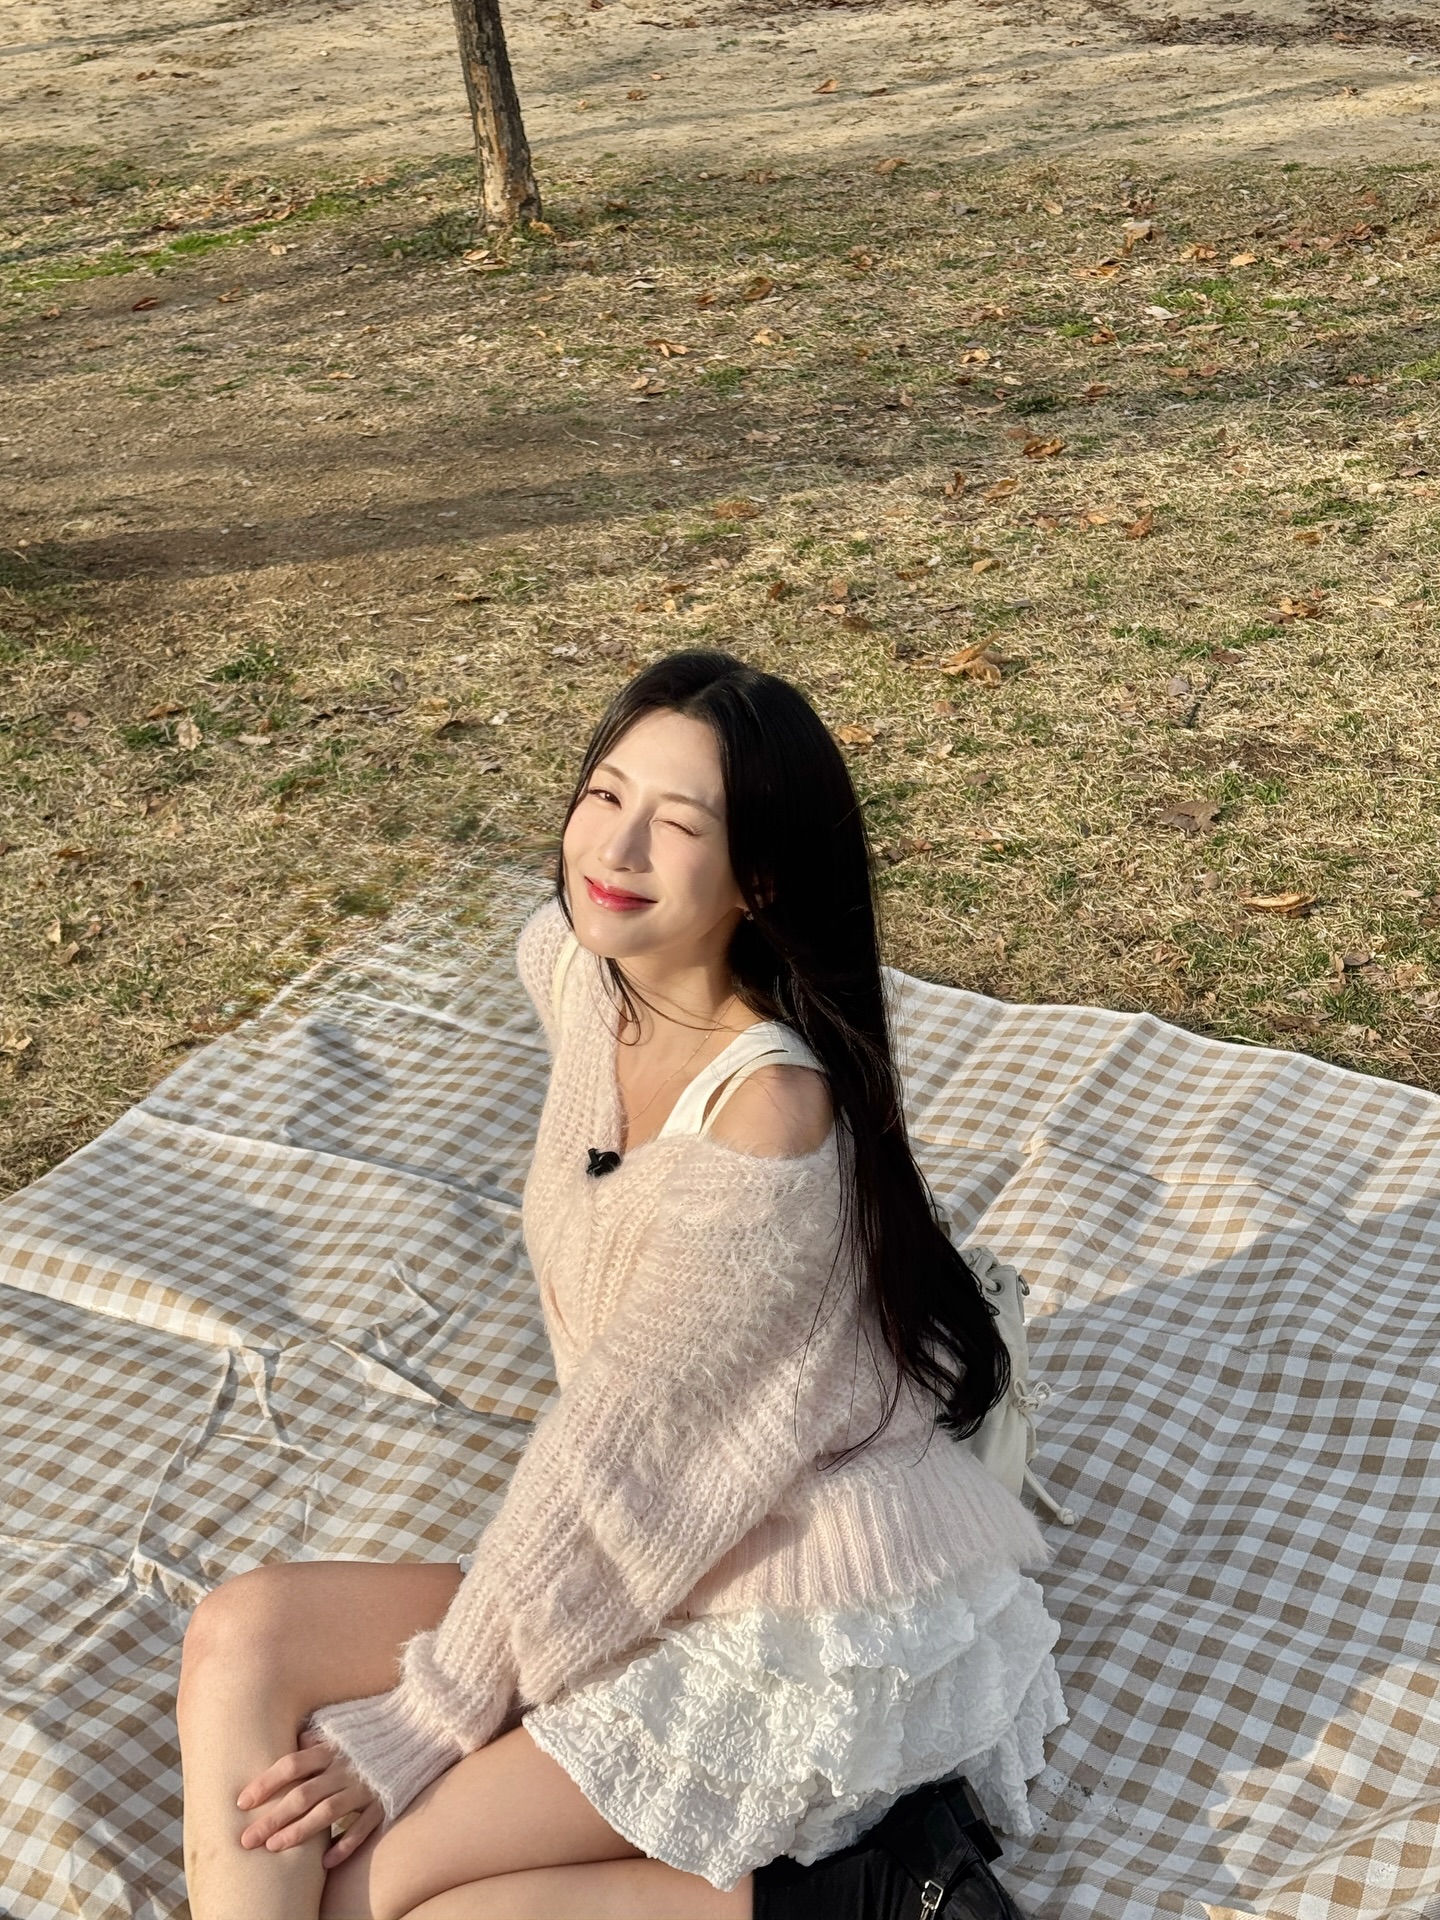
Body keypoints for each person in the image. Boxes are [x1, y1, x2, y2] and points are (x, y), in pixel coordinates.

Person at [176, 648, 1066, 1920]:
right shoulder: (583, 967)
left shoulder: (766, 1128)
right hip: (659, 1544)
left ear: (759, 879)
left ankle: (863, 1894)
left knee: (386, 1890)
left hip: (798, 1607)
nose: (618, 847)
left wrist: (430, 1719)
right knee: (241, 1633)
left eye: (679, 824)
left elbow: (606, 1461)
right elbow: (620, 1470)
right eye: (605, 793)